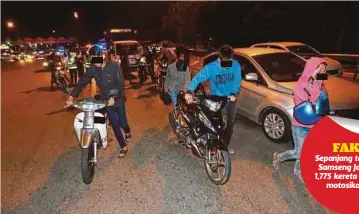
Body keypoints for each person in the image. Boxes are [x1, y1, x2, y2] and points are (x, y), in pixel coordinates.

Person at [65, 49, 132, 158]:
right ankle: (123, 146)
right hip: (105, 99)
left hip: (118, 98)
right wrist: (72, 96)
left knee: (123, 122)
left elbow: (121, 84)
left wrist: (114, 97)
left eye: (97, 58)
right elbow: (83, 81)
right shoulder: (93, 69)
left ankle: (128, 132)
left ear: (103, 55)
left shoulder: (114, 66)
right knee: (115, 124)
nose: (95, 62)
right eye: (93, 59)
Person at [272, 57, 329, 180]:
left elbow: (322, 104)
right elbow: (311, 100)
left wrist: (319, 84)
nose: (322, 73)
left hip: (314, 123)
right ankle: (279, 157)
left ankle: (298, 171)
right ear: (311, 69)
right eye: (319, 69)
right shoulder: (300, 85)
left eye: (324, 71)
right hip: (300, 124)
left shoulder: (320, 85)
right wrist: (317, 84)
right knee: (299, 152)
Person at [184, 44, 242, 155]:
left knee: (229, 125)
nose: (228, 65)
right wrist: (189, 91)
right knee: (218, 125)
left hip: (231, 99)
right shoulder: (211, 68)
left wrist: (234, 93)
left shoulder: (235, 65)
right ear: (219, 59)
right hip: (217, 99)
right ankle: (213, 147)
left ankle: (224, 146)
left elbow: (237, 80)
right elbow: (197, 78)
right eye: (225, 62)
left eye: (230, 61)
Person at [164, 47, 191, 112]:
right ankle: (176, 113)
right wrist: (165, 90)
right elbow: (167, 79)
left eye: (183, 57)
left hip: (182, 89)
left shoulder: (186, 68)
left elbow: (188, 79)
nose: (182, 58)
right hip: (172, 89)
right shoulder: (170, 67)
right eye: (181, 56)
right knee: (175, 104)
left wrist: (184, 89)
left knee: (185, 105)